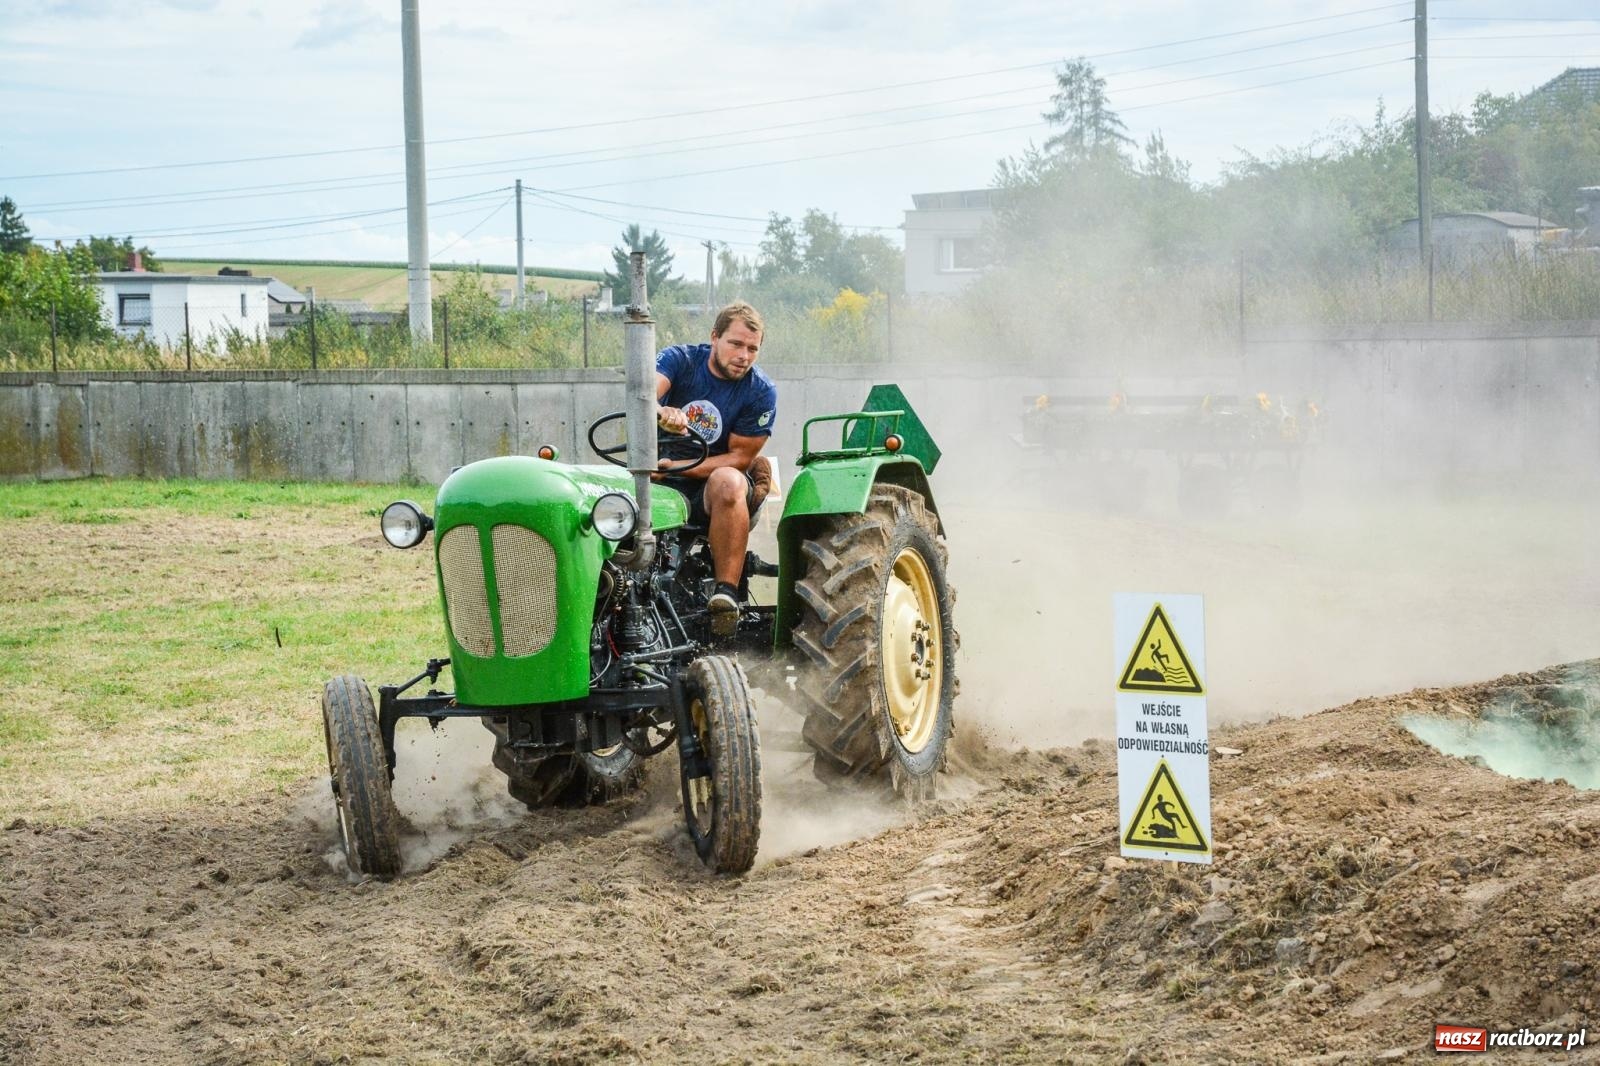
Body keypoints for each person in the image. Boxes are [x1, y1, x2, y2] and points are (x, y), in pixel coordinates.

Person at [655, 301, 777, 636]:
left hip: (714, 488)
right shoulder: (680, 360)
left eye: (752, 348)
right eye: (736, 344)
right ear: (714, 337)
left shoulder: (760, 392)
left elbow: (739, 458)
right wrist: (659, 411)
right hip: (657, 477)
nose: (744, 355)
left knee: (728, 481)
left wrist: (677, 468)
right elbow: (642, 393)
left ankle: (725, 596)